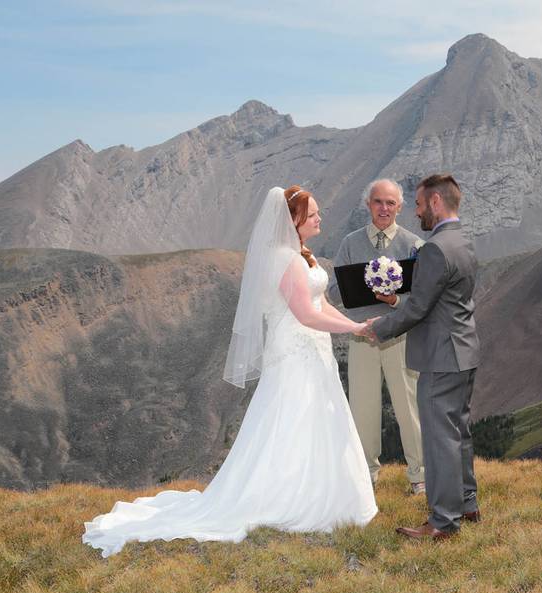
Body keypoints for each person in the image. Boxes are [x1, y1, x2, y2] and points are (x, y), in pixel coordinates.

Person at [82, 185, 377, 557]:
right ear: (295, 220)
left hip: (314, 353)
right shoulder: (285, 260)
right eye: (314, 213)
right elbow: (304, 315)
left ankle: (326, 492)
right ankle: (290, 498)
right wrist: (353, 330)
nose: (320, 218)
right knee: (293, 422)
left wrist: (355, 325)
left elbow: (323, 303)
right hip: (295, 354)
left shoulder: (302, 256)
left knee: (316, 421)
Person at [362, 174, 481, 540]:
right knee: (458, 432)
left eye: (416, 204)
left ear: (434, 203)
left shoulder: (434, 249)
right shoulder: (464, 241)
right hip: (464, 351)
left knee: (438, 439)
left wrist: (378, 328)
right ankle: (467, 503)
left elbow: (417, 309)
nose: (414, 212)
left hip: (440, 357)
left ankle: (443, 523)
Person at [327, 179, 426, 493]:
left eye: (391, 203)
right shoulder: (350, 243)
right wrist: (361, 286)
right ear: (368, 204)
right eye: (378, 202)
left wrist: (394, 300)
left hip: (400, 336)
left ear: (400, 206)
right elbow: (332, 291)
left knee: (409, 407)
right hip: (362, 337)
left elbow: (423, 298)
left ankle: (420, 476)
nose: (384, 209)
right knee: (363, 408)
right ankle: (366, 475)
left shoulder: (414, 246)